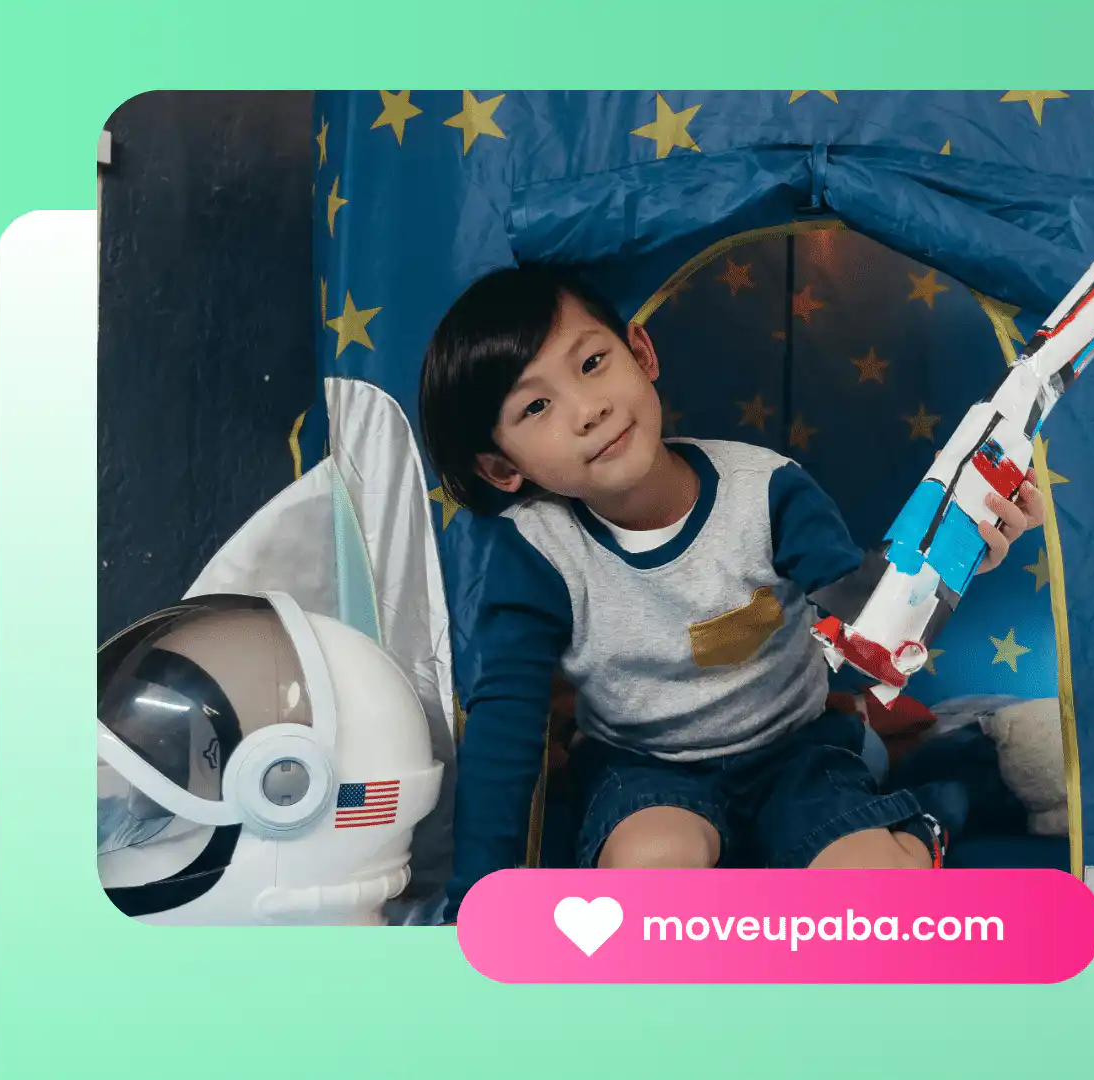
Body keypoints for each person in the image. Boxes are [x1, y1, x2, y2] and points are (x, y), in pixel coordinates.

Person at [419, 265, 1046, 917]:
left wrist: (962, 549)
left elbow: (870, 609)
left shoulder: (769, 489)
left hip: (795, 752)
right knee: (648, 869)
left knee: (870, 893)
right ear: (502, 467)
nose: (588, 409)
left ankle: (931, 817)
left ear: (641, 353)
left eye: (594, 362)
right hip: (643, 766)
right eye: (536, 406)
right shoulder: (534, 551)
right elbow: (506, 719)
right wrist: (476, 904)